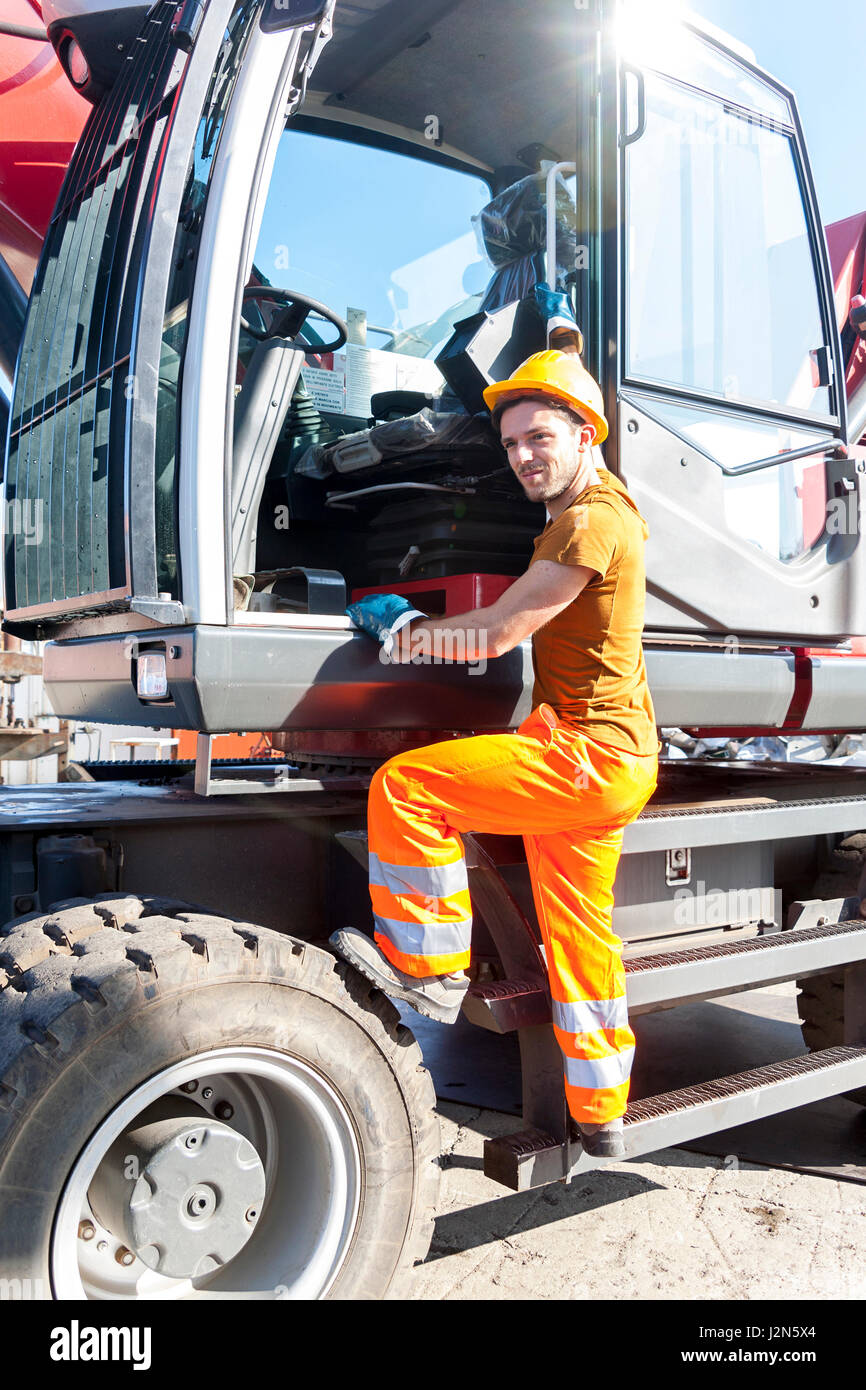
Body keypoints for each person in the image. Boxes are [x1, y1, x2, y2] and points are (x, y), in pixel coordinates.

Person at [331, 349, 659, 1158]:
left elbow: (504, 629)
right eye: (512, 444)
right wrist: (561, 334)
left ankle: (430, 969)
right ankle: (602, 1110)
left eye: (540, 437)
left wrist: (408, 630)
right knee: (580, 934)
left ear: (588, 434)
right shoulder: (596, 508)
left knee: (407, 789)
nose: (522, 457)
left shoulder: (590, 521)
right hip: (611, 756)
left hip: (586, 755)